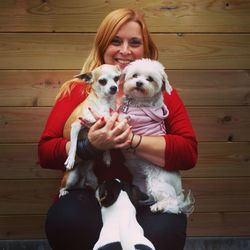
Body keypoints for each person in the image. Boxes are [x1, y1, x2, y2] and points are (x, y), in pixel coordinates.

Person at [38, 8, 197, 250]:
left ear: (145, 49)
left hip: (147, 197)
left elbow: (188, 153)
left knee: (166, 230)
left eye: (134, 42)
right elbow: (46, 152)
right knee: (66, 222)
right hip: (89, 194)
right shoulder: (76, 91)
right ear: (102, 45)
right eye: (115, 41)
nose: (125, 50)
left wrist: (132, 140)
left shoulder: (161, 95)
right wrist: (89, 145)